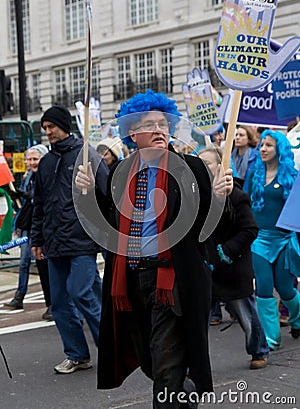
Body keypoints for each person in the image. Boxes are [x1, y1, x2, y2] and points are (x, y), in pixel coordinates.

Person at [75, 90, 233, 407]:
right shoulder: (121, 174)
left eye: (163, 123)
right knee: (152, 360)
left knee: (165, 365)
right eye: (151, 124)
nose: (160, 129)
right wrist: (89, 193)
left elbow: (217, 224)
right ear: (133, 133)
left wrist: (220, 196)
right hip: (132, 282)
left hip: (173, 282)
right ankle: (181, 392)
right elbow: (105, 226)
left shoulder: (191, 168)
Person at [30, 105, 109, 374]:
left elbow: (109, 196)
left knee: (81, 291)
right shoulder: (46, 162)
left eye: (51, 127)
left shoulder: (89, 157)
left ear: (64, 125)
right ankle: (77, 354)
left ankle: (110, 347)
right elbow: (38, 204)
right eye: (45, 129)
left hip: (83, 240)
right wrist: (36, 238)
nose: (48, 132)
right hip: (54, 243)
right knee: (60, 303)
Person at [199, 147, 269, 369]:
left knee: (246, 314)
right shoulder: (197, 197)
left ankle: (259, 350)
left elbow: (249, 230)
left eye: (206, 163)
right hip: (206, 268)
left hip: (233, 267)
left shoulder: (237, 196)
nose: (201, 168)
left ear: (220, 167)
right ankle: (193, 364)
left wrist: (226, 251)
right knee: (196, 321)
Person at [248, 130, 300, 350]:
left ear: (279, 149)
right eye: (261, 145)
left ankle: (297, 319)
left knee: (286, 288)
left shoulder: (292, 176)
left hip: (284, 240)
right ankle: (271, 338)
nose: (263, 149)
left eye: (268, 145)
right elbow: (243, 203)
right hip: (259, 240)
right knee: (264, 287)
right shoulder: (254, 173)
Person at [4, 145, 53, 321]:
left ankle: (55, 304)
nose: (31, 163)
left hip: (45, 228)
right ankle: (20, 296)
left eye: (35, 159)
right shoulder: (28, 177)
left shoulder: (47, 176)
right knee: (25, 262)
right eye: (29, 159)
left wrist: (26, 195)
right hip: (30, 226)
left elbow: (39, 200)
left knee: (48, 267)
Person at [231, 125, 259, 191]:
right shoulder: (231, 155)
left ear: (249, 139)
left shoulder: (256, 156)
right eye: (236, 135)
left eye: (241, 135)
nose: (237, 137)